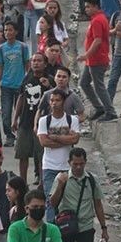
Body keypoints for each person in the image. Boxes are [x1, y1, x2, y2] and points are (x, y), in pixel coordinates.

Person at [50, 147, 108, 242]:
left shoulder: (92, 180)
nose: (78, 167)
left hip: (86, 228)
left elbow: (98, 205)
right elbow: (53, 203)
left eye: (81, 164)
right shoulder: (61, 178)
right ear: (69, 162)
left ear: (85, 162)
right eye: (75, 164)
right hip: (66, 228)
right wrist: (60, 185)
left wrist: (104, 228)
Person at [37, 90, 81, 222]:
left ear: (63, 102)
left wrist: (55, 137)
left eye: (57, 100)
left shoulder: (72, 119)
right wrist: (66, 138)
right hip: (49, 167)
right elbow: (44, 142)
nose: (54, 103)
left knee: (68, 201)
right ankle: (51, 230)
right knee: (51, 201)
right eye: (52, 100)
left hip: (67, 167)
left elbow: (75, 140)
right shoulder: (44, 120)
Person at [14, 53, 55, 185]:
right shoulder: (27, 78)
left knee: (42, 155)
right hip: (25, 122)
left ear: (45, 63)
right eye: (33, 61)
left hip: (42, 124)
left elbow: (56, 99)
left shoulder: (50, 80)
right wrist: (15, 118)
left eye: (39, 61)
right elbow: (21, 97)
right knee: (22, 154)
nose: (35, 63)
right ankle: (23, 183)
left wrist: (49, 86)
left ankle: (43, 184)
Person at [77, 0, 117, 122]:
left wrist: (86, 55)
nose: (86, 9)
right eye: (86, 6)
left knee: (99, 86)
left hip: (97, 59)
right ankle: (99, 107)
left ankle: (110, 111)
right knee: (84, 83)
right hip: (93, 60)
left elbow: (98, 40)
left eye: (89, 6)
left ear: (96, 7)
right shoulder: (97, 19)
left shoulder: (97, 20)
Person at [0, 21, 30, 146]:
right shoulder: (1, 49)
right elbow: (0, 67)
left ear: (16, 32)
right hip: (6, 85)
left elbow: (27, 65)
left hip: (20, 85)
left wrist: (29, 80)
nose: (7, 32)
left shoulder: (23, 47)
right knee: (6, 113)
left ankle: (21, 134)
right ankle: (9, 135)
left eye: (10, 30)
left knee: (20, 112)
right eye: (5, 30)